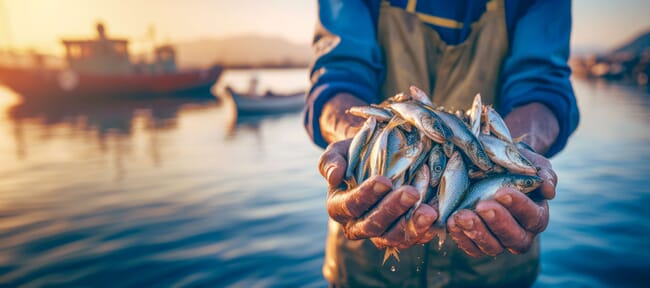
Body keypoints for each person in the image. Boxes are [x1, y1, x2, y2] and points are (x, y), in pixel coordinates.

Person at [303, 0, 580, 287]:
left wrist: (516, 153)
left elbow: (543, 87)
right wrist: (359, 139)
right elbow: (338, 76)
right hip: (367, 265)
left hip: (492, 267)